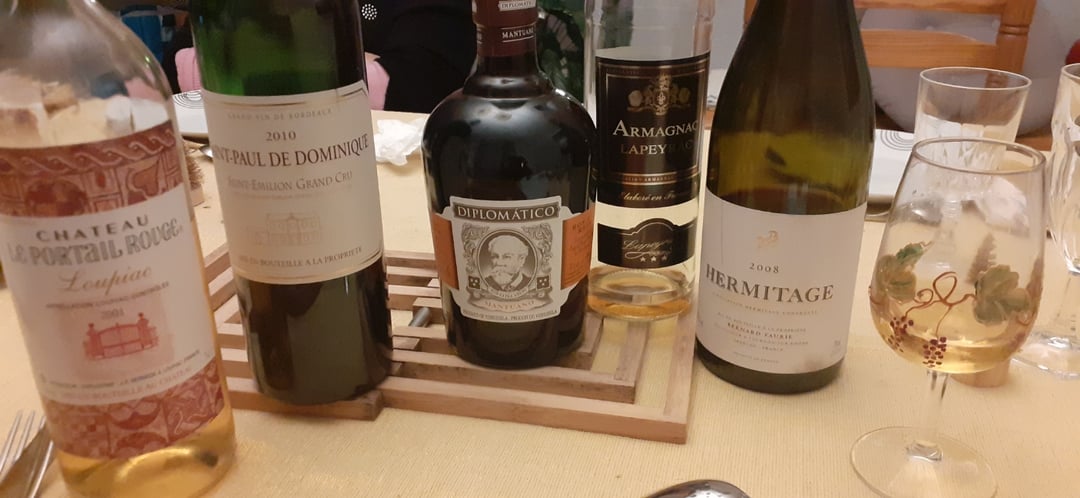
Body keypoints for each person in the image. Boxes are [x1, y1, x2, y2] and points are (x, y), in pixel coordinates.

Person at [167, 0, 475, 113]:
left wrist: (249, 66)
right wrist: (356, 64)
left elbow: (412, 90)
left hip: (386, 175)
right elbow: (174, 68)